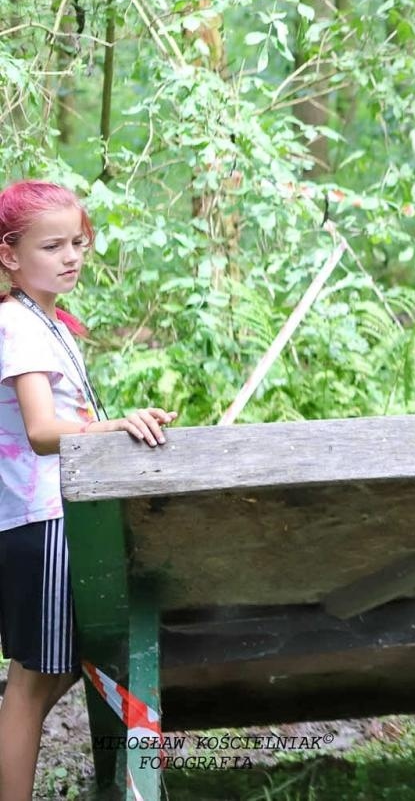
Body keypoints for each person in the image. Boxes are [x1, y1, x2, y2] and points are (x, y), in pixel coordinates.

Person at [0, 180, 174, 801]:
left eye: (78, 242)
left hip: (58, 516)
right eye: (52, 246)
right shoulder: (16, 323)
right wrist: (115, 426)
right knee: (30, 685)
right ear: (9, 254)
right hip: (39, 521)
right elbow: (46, 431)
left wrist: (114, 426)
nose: (71, 256)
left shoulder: (51, 325)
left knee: (51, 676)